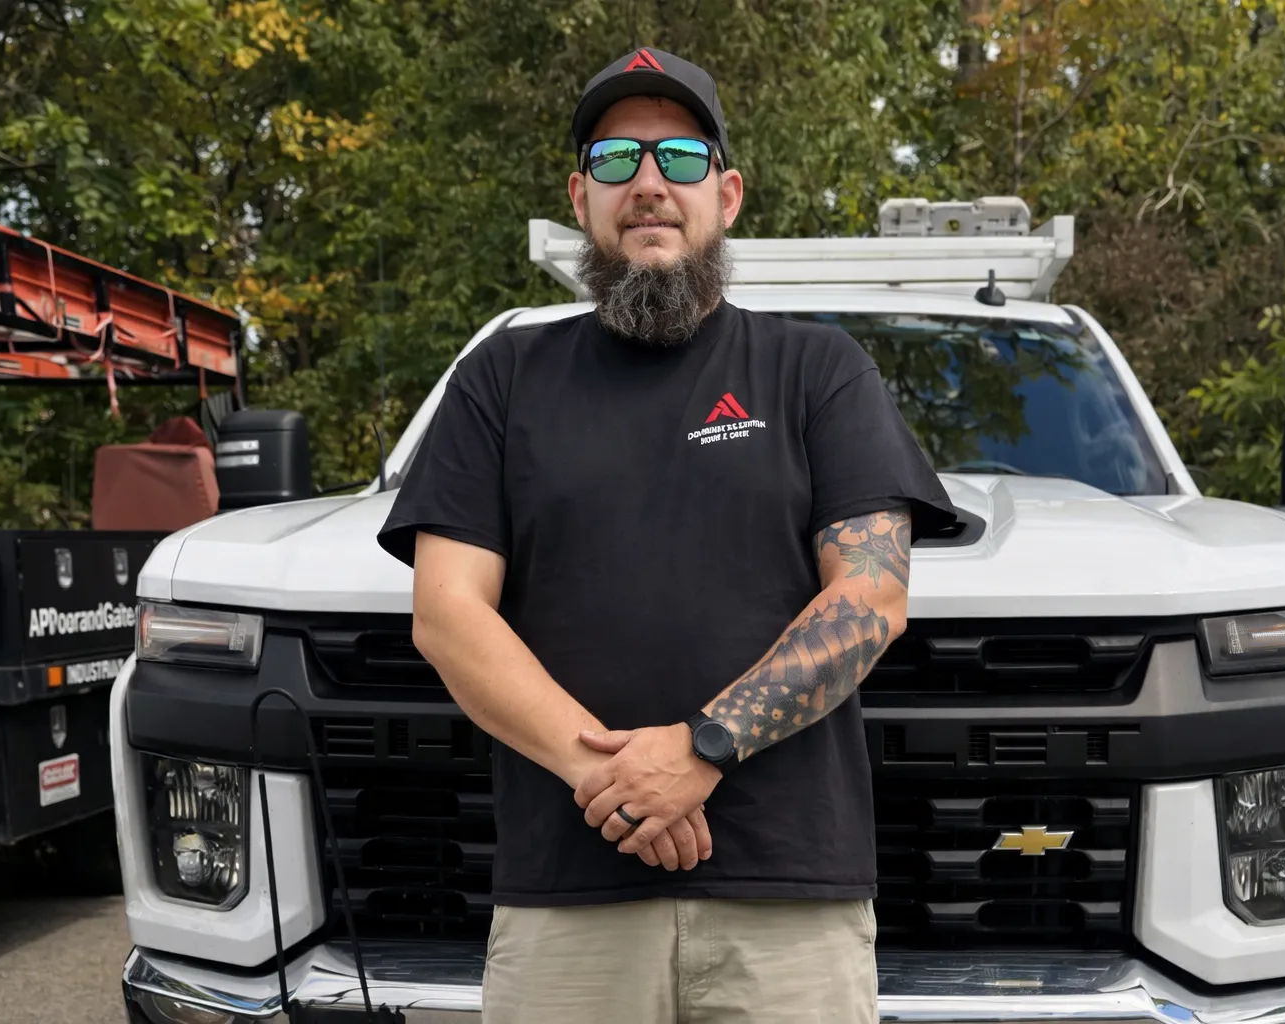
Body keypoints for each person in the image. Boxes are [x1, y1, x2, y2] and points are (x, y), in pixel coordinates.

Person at [376, 45, 961, 1024]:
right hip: (564, 897)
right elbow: (446, 613)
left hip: (788, 901)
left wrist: (701, 749)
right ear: (580, 196)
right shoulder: (502, 377)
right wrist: (609, 776)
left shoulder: (817, 370)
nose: (648, 184)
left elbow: (871, 597)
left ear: (727, 194)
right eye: (616, 162)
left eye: (679, 159)